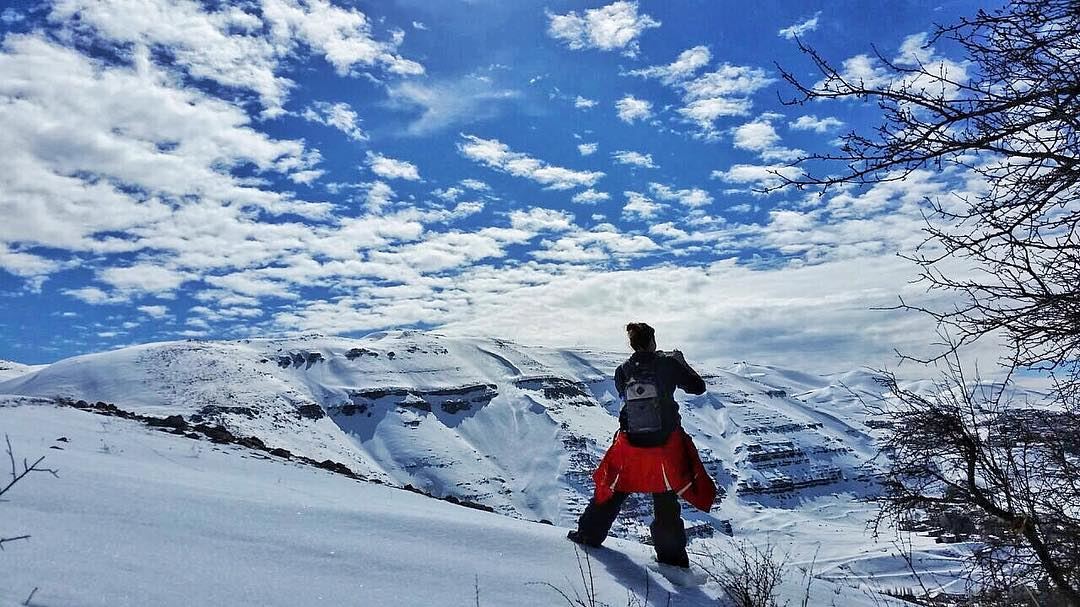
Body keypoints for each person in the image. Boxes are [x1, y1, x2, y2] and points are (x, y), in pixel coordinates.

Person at [567, 322, 716, 568]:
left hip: (631, 443)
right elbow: (698, 388)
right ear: (653, 341)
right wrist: (681, 362)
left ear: (632, 344)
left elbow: (623, 394)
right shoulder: (668, 364)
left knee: (614, 487)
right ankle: (672, 561)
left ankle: (588, 535)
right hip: (665, 444)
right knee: (665, 498)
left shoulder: (623, 370)